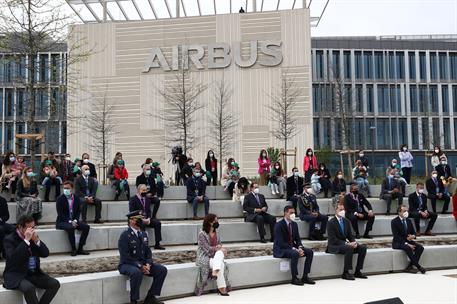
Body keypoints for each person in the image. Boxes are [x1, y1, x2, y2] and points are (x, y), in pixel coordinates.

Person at [2, 215, 60, 304]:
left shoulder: (33, 237)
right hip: (17, 274)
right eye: (29, 228)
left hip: (33, 273)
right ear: (20, 227)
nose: (31, 230)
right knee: (29, 288)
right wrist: (26, 241)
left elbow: (45, 253)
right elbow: (14, 259)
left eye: (33, 227)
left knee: (55, 284)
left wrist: (37, 241)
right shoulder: (9, 239)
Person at [118, 211, 168, 304]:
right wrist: (140, 266)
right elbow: (125, 256)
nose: (141, 221)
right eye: (139, 219)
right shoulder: (125, 235)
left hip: (143, 264)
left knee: (162, 270)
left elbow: (148, 252)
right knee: (136, 272)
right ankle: (134, 300)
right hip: (127, 264)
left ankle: (150, 297)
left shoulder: (143, 234)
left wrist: (148, 264)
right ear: (132, 221)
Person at [273, 205, 315, 286]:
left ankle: (305, 276)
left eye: (294, 213)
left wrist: (300, 247)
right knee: (294, 253)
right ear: (285, 213)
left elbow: (298, 239)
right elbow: (280, 242)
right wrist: (295, 250)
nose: (293, 214)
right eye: (291, 213)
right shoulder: (278, 225)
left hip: (293, 247)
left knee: (309, 252)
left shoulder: (294, 224)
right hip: (281, 248)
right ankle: (294, 278)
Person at [326, 203, 368, 280]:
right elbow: (333, 239)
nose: (343, 211)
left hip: (345, 245)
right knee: (349, 248)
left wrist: (354, 242)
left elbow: (350, 235)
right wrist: (347, 243)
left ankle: (358, 271)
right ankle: (346, 272)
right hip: (334, 246)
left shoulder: (346, 221)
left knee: (362, 248)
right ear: (336, 210)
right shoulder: (331, 222)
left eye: (343, 209)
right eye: (340, 209)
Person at [195, 214, 230, 296]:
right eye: (215, 220)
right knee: (220, 264)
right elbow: (207, 249)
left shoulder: (217, 232)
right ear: (209, 222)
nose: (217, 222)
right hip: (204, 257)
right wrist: (218, 248)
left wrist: (221, 248)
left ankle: (215, 271)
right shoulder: (202, 234)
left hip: (215, 257)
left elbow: (219, 245)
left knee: (220, 253)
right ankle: (222, 289)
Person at [55, 181, 91, 256]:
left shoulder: (76, 198)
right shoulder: (59, 199)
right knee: (71, 228)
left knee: (86, 227)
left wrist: (75, 220)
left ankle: (80, 248)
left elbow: (78, 211)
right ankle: (73, 249)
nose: (65, 190)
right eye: (64, 188)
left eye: (67, 188)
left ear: (72, 189)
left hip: (74, 220)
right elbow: (60, 214)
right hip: (62, 221)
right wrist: (70, 222)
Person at [391, 205, 426, 274]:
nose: (406, 212)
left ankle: (410, 266)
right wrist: (407, 244)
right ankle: (418, 267)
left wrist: (413, 236)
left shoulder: (409, 220)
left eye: (407, 211)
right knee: (407, 248)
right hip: (398, 242)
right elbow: (396, 236)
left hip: (408, 240)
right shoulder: (394, 221)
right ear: (399, 212)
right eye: (404, 211)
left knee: (420, 248)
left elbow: (414, 232)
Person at [129, 184, 165, 250]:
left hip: (146, 219)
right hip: (136, 219)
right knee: (142, 224)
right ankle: (143, 244)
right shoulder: (133, 199)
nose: (145, 192)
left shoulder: (147, 199)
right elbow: (132, 212)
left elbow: (148, 211)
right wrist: (142, 219)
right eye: (143, 190)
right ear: (138, 191)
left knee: (157, 223)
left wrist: (148, 218)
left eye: (146, 190)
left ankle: (157, 243)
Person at [0, 195, 15, 259]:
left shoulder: (3, 200)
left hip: (1, 222)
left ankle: (12, 251)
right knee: (1, 230)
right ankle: (3, 251)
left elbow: (7, 216)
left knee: (15, 229)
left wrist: (1, 219)